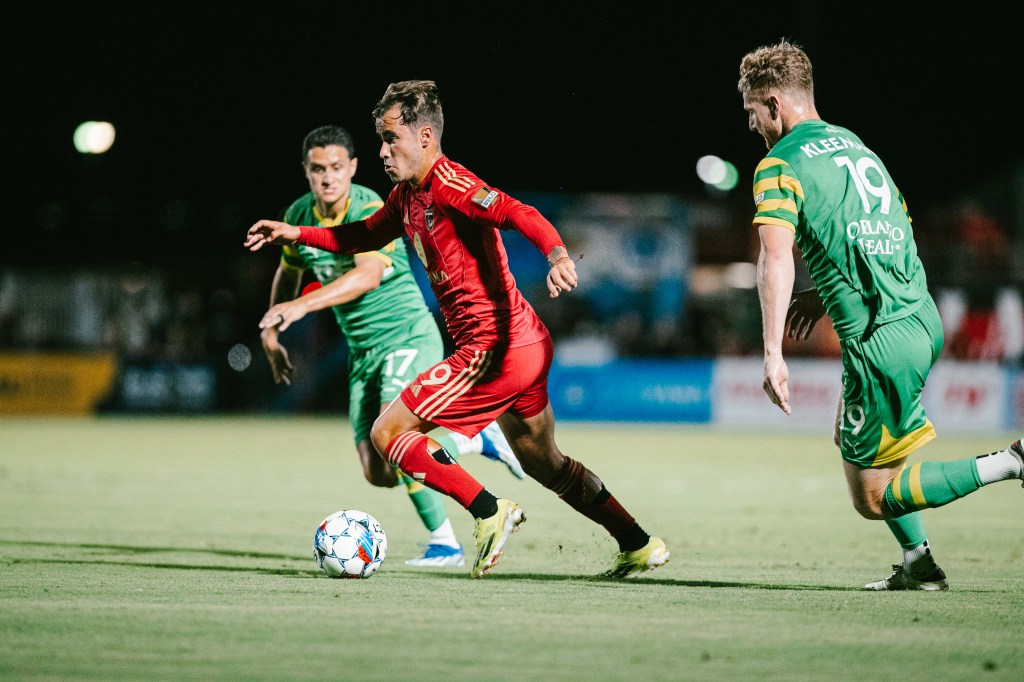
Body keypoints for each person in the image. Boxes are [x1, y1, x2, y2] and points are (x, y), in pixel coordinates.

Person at [246, 81, 669, 579]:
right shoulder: (406, 196)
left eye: (390, 139)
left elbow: (518, 212)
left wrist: (556, 254)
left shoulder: (451, 184)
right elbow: (361, 235)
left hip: (495, 349)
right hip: (524, 345)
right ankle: (638, 542)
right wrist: (296, 232)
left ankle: (489, 510)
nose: (382, 151)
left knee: (389, 432)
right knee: (545, 464)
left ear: (425, 136)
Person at [738, 39, 1023, 590]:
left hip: (879, 340)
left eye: (752, 113)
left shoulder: (778, 164)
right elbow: (894, 223)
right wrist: (827, 291)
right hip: (920, 317)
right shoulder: (856, 148)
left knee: (871, 495)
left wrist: (772, 353)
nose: (752, 126)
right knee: (865, 449)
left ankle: (1011, 461)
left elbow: (775, 258)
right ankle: (920, 564)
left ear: (773, 104)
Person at [258, 124, 524, 568]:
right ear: (306, 171)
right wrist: (271, 329)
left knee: (396, 438)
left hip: (405, 335)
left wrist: (301, 308)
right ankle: (474, 439)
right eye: (318, 169)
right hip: (363, 353)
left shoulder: (366, 203)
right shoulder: (300, 212)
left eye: (337, 168)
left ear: (353, 168)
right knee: (376, 471)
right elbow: (287, 270)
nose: (328, 178)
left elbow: (367, 274)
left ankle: (446, 543)